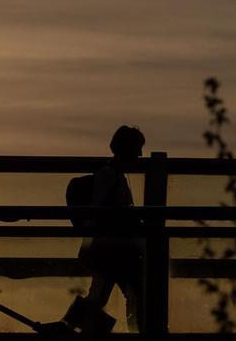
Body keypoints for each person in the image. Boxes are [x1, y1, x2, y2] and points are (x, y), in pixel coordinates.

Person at [79, 125, 146, 331]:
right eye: (137, 149)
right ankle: (138, 330)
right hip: (113, 247)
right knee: (133, 293)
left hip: (112, 247)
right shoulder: (110, 175)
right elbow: (97, 209)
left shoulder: (116, 175)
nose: (140, 154)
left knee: (101, 295)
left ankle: (73, 328)